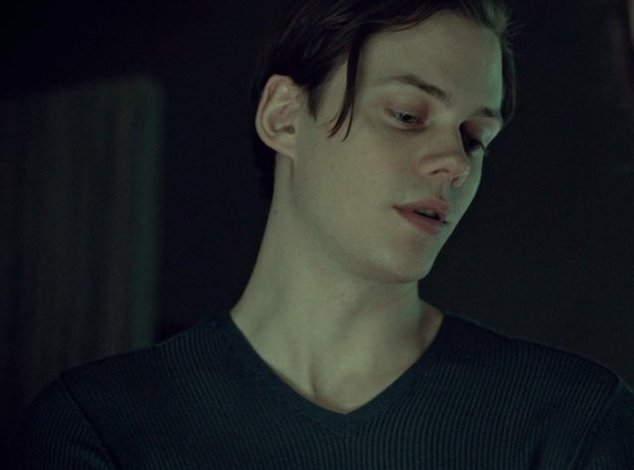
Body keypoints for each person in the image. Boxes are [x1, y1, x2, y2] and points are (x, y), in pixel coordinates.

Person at [9, 0, 634, 468]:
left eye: (474, 138)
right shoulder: (100, 427)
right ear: (285, 118)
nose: (455, 163)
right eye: (407, 115)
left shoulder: (575, 423)